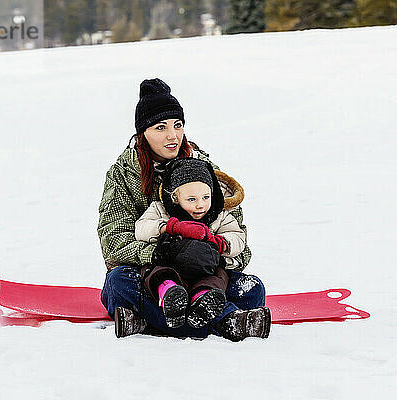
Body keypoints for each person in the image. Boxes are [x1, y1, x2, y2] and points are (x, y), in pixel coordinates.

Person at [98, 78, 270, 341]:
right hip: (155, 278)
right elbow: (114, 244)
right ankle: (227, 320)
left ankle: (146, 322)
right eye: (160, 127)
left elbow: (240, 244)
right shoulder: (123, 174)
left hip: (206, 277)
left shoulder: (203, 169)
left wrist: (207, 253)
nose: (172, 136)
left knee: (252, 290)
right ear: (143, 132)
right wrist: (168, 252)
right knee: (119, 284)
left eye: (178, 125)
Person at [135, 157, 247, 329]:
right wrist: (171, 227)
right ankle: (170, 295)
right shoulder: (161, 209)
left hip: (206, 267)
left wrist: (218, 242)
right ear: (175, 198)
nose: (200, 205)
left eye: (205, 197)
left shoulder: (219, 215)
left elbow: (238, 237)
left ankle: (203, 300)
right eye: (191, 199)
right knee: (157, 272)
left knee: (219, 276)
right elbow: (141, 229)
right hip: (172, 262)